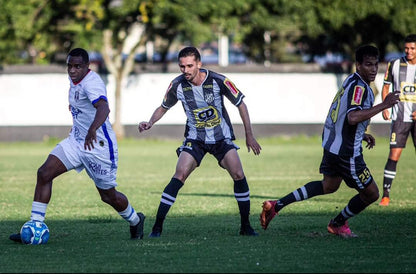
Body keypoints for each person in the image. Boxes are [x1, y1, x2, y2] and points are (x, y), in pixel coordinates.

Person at [259, 45, 400, 238]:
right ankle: (337, 223)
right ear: (358, 65)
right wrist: (384, 104)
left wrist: (362, 133)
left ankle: (276, 205)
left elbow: (345, 115)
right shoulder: (360, 87)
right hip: (347, 152)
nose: (374, 69)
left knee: (329, 185)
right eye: (368, 65)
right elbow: (352, 117)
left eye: (376, 65)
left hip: (332, 145)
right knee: (372, 194)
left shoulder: (351, 80)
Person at [9, 48, 145, 243]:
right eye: (69, 66)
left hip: (98, 146)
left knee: (108, 196)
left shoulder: (92, 83)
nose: (72, 70)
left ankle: (135, 220)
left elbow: (104, 108)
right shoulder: (74, 80)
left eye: (77, 66)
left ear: (87, 66)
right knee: (44, 173)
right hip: (76, 142)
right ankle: (34, 226)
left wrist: (92, 130)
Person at [138, 46, 262, 237]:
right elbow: (164, 107)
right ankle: (157, 227)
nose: (185, 70)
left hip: (221, 138)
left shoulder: (219, 81)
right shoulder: (177, 85)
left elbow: (241, 104)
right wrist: (150, 122)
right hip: (195, 138)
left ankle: (245, 226)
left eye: (189, 66)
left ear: (199, 64)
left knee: (238, 174)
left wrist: (249, 135)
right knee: (179, 174)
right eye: (182, 66)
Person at [379, 34, 416, 206]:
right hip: (400, 118)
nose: (409, 51)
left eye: (413, 48)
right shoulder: (394, 64)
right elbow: (385, 87)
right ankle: (385, 195)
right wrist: (385, 106)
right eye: (406, 48)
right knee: (394, 154)